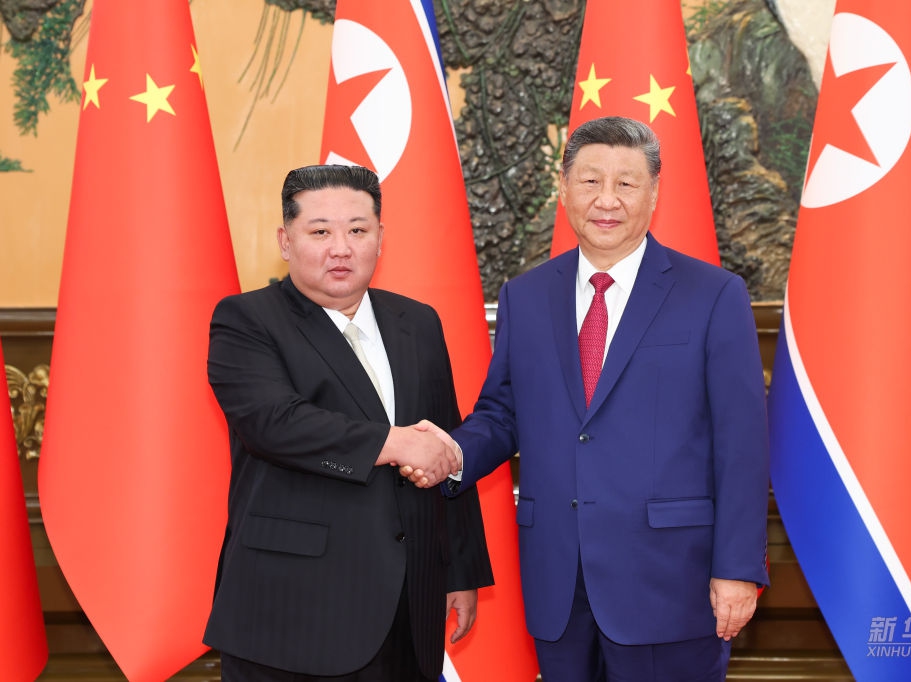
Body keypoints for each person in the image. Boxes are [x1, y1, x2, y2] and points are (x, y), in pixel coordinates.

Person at [416, 116, 770, 681]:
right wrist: (451, 454)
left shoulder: (713, 295)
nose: (607, 200)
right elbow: (503, 414)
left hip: (670, 581)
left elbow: (742, 444)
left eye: (626, 183)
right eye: (590, 181)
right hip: (558, 580)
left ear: (654, 193)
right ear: (564, 189)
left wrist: (737, 568)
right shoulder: (526, 297)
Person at [203, 164, 494, 681]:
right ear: (286, 241)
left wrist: (461, 569)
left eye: (358, 230)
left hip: (410, 604)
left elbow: (443, 441)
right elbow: (275, 423)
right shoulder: (247, 319)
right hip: (293, 610)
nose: (341, 248)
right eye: (320, 232)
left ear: (380, 237)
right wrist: (395, 444)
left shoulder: (418, 321)